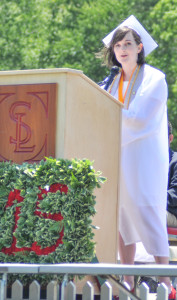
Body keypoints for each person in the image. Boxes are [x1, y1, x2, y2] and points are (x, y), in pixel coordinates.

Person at [99, 15, 175, 298]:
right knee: (121, 214)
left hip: (143, 158)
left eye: (128, 43)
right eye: (118, 44)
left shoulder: (155, 78)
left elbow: (141, 120)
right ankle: (127, 280)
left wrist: (110, 116)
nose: (122, 49)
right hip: (116, 155)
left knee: (147, 211)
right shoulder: (110, 81)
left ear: (139, 47)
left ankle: (167, 283)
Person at [167, 121, 177, 227]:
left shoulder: (175, 161)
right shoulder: (148, 162)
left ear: (170, 139)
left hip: (173, 215)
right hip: (153, 210)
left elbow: (174, 196)